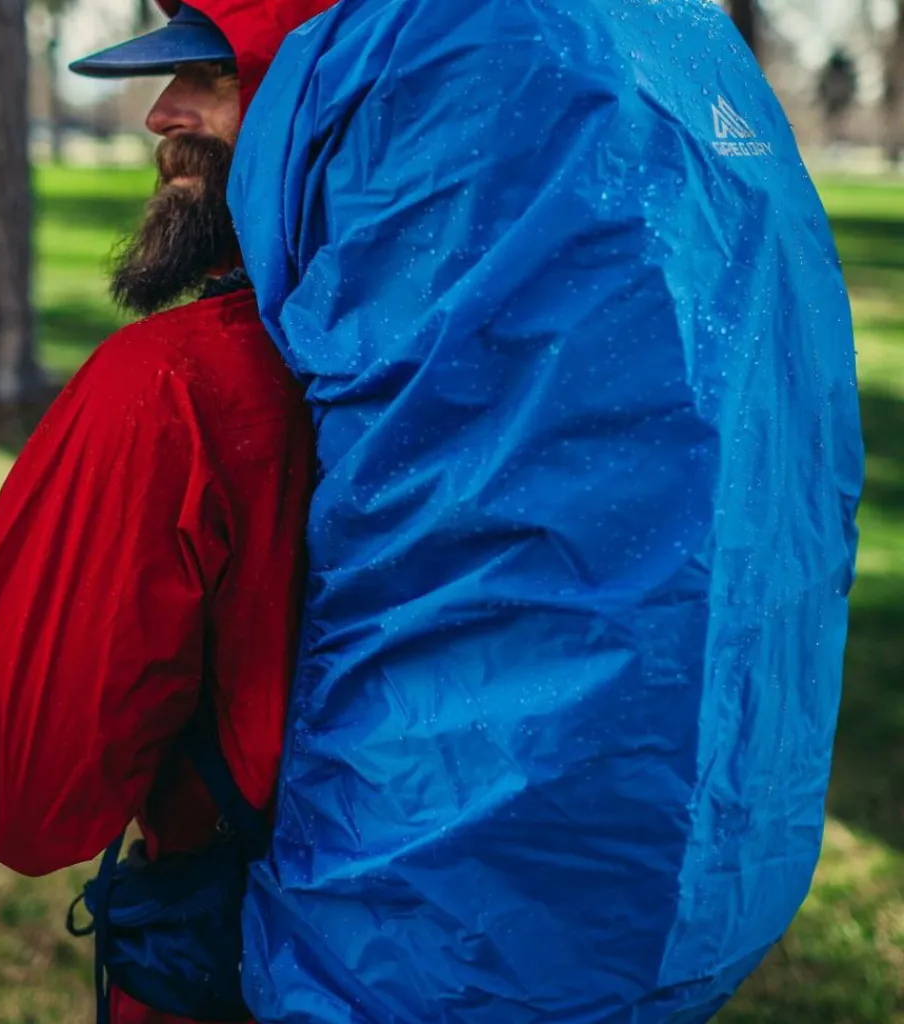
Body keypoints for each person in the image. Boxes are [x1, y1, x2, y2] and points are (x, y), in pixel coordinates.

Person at [223, 0, 868, 1022]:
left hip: (421, 913)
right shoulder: (689, 44)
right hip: (704, 885)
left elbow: (267, 292)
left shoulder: (409, 41)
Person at [0, 4, 329, 1022]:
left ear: (325, 98)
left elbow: (23, 797)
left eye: (215, 77)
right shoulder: (471, 368)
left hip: (244, 970)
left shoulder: (173, 389)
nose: (161, 114)